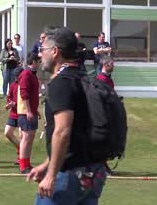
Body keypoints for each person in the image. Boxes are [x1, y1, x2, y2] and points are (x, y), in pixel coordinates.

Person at [28, 27, 108, 204]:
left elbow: (63, 131)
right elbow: (76, 134)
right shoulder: (83, 79)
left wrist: (51, 174)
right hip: (94, 173)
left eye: (42, 50)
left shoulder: (61, 83)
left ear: (55, 52)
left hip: (70, 174)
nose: (40, 55)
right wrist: (47, 164)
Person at [17, 53, 40, 174]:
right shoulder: (26, 74)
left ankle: (27, 163)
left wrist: (36, 111)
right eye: (39, 62)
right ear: (34, 62)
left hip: (32, 111)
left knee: (30, 138)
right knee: (26, 138)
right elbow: (24, 93)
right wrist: (29, 111)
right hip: (25, 112)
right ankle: (23, 166)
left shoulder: (33, 75)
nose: (40, 64)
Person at [4, 66, 24, 165]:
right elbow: (9, 97)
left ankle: (22, 157)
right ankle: (21, 150)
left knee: (22, 136)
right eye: (15, 76)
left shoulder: (25, 84)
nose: (16, 78)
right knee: (7, 133)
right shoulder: (13, 85)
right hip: (13, 113)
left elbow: (26, 100)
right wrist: (9, 104)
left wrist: (15, 104)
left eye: (18, 76)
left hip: (22, 113)